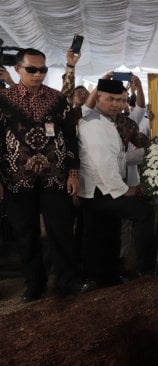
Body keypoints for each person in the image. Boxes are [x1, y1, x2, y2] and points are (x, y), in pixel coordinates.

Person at [0, 48, 95, 302]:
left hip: (55, 177)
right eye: (32, 69)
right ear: (17, 69)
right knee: (25, 232)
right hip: (17, 179)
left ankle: (68, 281)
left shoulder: (58, 100)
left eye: (42, 69)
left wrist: (73, 174)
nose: (38, 74)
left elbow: (71, 139)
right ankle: (34, 284)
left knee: (61, 230)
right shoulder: (4, 100)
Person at [77, 79, 157, 286]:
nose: (116, 104)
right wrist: (125, 190)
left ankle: (106, 277)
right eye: (110, 99)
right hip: (99, 191)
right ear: (98, 98)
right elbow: (103, 163)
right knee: (143, 212)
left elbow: (118, 157)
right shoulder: (94, 123)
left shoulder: (107, 122)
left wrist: (150, 153)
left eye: (121, 100)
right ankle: (147, 272)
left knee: (106, 233)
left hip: (101, 190)